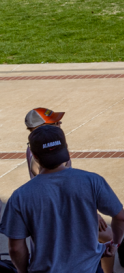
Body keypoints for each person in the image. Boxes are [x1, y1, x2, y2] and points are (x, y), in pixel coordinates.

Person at [0, 125, 124, 273]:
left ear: (34, 156)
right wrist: (114, 244)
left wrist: (23, 271)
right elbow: (121, 218)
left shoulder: (20, 196)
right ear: (66, 149)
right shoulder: (92, 181)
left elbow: (15, 248)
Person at [24, 107, 117, 272]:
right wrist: (91, 213)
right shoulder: (41, 158)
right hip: (62, 214)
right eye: (55, 123)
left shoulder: (39, 149)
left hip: (59, 211)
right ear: (41, 128)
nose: (60, 124)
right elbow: (60, 187)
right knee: (108, 236)